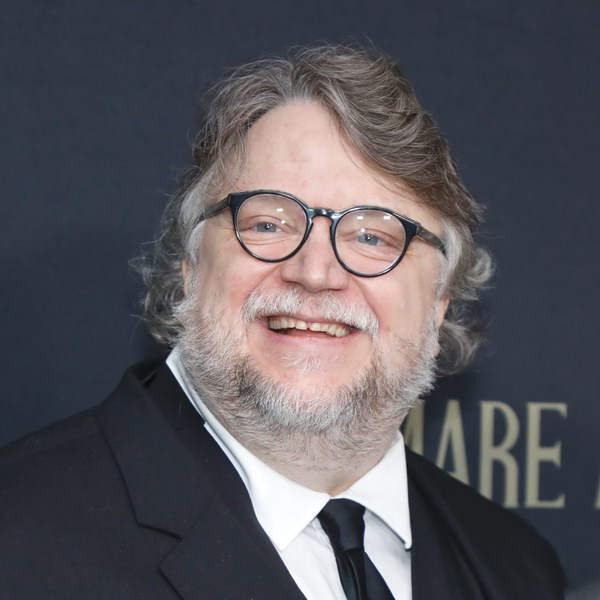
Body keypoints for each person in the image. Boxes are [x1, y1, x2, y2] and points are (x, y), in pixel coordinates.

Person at [0, 45, 565, 599]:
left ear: (439, 301)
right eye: (268, 224)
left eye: (373, 237)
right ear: (191, 266)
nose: (315, 272)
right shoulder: (18, 538)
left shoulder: (516, 567)